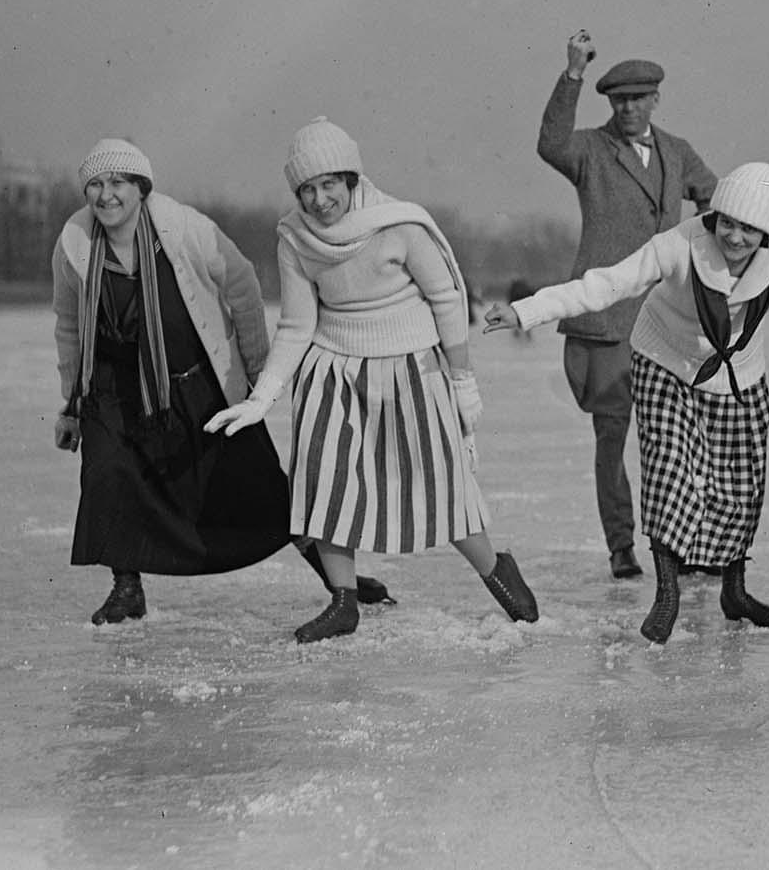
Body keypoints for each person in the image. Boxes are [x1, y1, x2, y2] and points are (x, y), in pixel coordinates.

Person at [205, 118, 538, 642]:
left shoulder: (400, 224)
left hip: (409, 366)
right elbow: (296, 324)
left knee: (439, 483)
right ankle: (344, 602)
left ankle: (498, 571)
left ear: (351, 178)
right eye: (307, 190)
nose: (318, 200)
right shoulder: (294, 237)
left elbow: (448, 302)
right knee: (327, 486)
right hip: (333, 368)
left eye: (328, 185)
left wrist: (462, 379)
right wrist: (262, 395)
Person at [52, 139, 390, 626]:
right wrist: (70, 403)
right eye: (96, 185)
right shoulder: (73, 245)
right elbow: (68, 323)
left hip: (196, 385)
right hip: (112, 391)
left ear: (141, 188)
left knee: (260, 487)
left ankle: (339, 583)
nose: (107, 196)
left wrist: (255, 370)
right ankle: (126, 588)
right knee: (108, 478)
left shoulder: (183, 227)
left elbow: (243, 284)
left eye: (119, 183)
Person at [485, 163, 769, 643]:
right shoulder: (679, 246)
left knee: (741, 480)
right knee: (669, 470)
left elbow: (752, 316)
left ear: (767, 233)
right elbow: (606, 284)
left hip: (735, 371)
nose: (735, 237)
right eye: (729, 223)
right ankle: (667, 593)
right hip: (664, 357)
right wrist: (527, 311)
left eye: (750, 229)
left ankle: (734, 590)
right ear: (715, 217)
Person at [537, 31, 719, 580]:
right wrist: (572, 74)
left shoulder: (677, 151)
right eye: (620, 100)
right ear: (610, 104)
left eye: (639, 98)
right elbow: (550, 143)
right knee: (613, 438)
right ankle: (622, 545)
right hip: (608, 324)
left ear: (655, 100)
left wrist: (706, 253)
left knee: (675, 440)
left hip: (667, 318)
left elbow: (711, 194)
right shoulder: (590, 150)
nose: (630, 108)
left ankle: (681, 542)